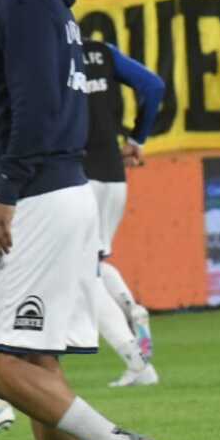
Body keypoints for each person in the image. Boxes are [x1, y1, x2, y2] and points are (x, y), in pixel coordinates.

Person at [0, 0, 160, 440]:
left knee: (3, 361)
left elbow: (36, 105)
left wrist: (5, 189)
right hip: (53, 190)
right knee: (34, 358)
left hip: (35, 194)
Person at [79, 34, 163, 389]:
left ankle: (136, 360)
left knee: (79, 275)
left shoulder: (42, 52)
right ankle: (131, 308)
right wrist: (137, 138)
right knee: (94, 263)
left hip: (76, 176)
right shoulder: (100, 52)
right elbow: (153, 86)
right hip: (114, 175)